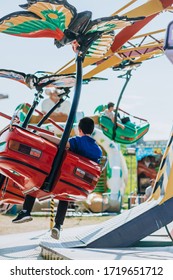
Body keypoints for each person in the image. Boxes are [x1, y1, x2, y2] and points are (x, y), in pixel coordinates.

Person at [12, 117, 102, 240]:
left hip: (63, 176)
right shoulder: (98, 150)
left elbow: (63, 143)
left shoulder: (79, 141)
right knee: (65, 197)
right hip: (77, 184)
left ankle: (26, 211)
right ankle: (58, 225)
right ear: (92, 130)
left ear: (79, 130)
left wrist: (42, 135)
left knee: (36, 178)